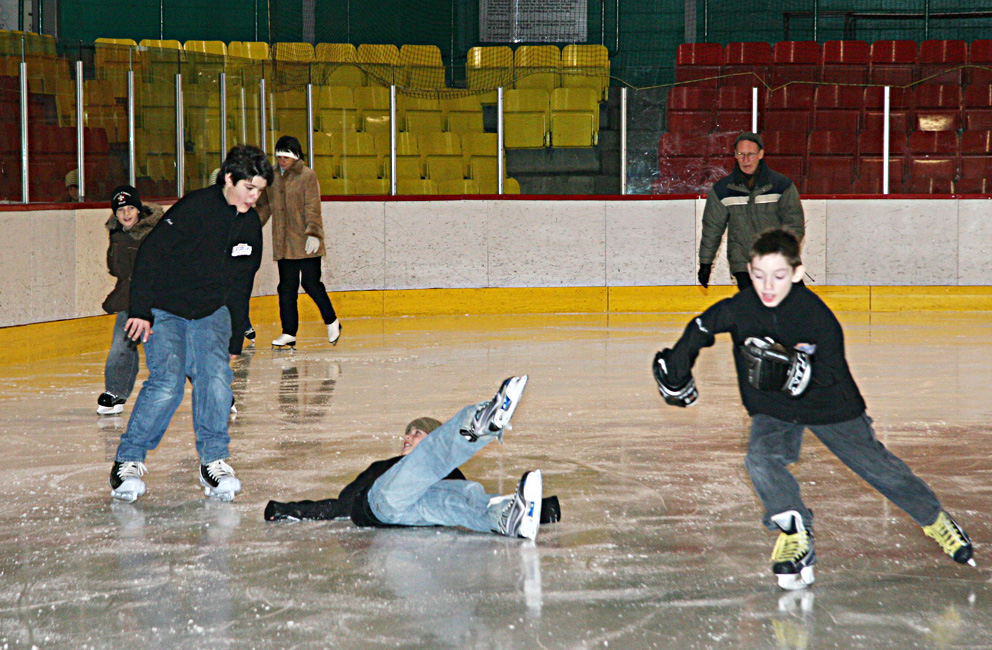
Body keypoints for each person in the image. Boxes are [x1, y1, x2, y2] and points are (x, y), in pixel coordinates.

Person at [653, 228, 974, 590]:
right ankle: (794, 530)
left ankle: (935, 520)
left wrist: (805, 374)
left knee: (878, 468)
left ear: (795, 272)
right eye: (758, 276)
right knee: (760, 459)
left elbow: (835, 372)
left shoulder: (815, 317)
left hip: (829, 405)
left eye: (777, 275)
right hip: (774, 407)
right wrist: (678, 368)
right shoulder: (742, 307)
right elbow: (701, 327)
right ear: (748, 270)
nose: (767, 286)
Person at [109, 145, 274, 503]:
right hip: (165, 308)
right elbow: (151, 254)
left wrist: (234, 340)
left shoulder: (249, 226)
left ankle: (213, 461)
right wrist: (140, 310)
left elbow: (240, 286)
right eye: (250, 188)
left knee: (215, 379)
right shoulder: (195, 208)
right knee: (168, 382)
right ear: (229, 179)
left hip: (210, 312)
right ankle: (128, 460)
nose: (255, 197)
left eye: (260, 190)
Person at [265, 376, 561, 541]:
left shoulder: (446, 469)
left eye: (417, 432)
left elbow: (458, 502)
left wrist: (544, 509)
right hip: (382, 506)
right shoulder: (386, 468)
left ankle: (505, 517)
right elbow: (344, 503)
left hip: (417, 515)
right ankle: (477, 424)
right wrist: (291, 510)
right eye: (407, 433)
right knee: (428, 464)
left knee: (455, 494)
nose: (407, 437)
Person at [256, 135, 340, 349]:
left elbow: (313, 205)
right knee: (286, 287)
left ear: (295, 156)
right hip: (284, 241)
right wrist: (251, 226)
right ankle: (288, 332)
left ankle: (332, 321)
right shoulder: (271, 176)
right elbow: (265, 206)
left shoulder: (307, 175)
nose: (282, 160)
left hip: (305, 240)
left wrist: (314, 233)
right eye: (279, 156)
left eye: (286, 156)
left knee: (311, 283)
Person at [698, 132, 805, 291]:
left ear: (761, 154)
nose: (745, 159)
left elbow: (794, 225)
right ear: (735, 155)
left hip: (780, 261)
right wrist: (705, 263)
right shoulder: (722, 190)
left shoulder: (782, 185)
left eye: (751, 154)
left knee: (797, 308)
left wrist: (780, 254)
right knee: (755, 310)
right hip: (744, 263)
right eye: (741, 154)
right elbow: (712, 228)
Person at [97, 185, 164, 415]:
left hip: (159, 300)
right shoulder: (116, 234)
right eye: (120, 209)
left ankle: (218, 394)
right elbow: (116, 269)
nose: (126, 214)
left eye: (130, 208)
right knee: (121, 346)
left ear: (139, 209)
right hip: (129, 299)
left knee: (175, 351)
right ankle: (115, 392)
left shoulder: (156, 232)